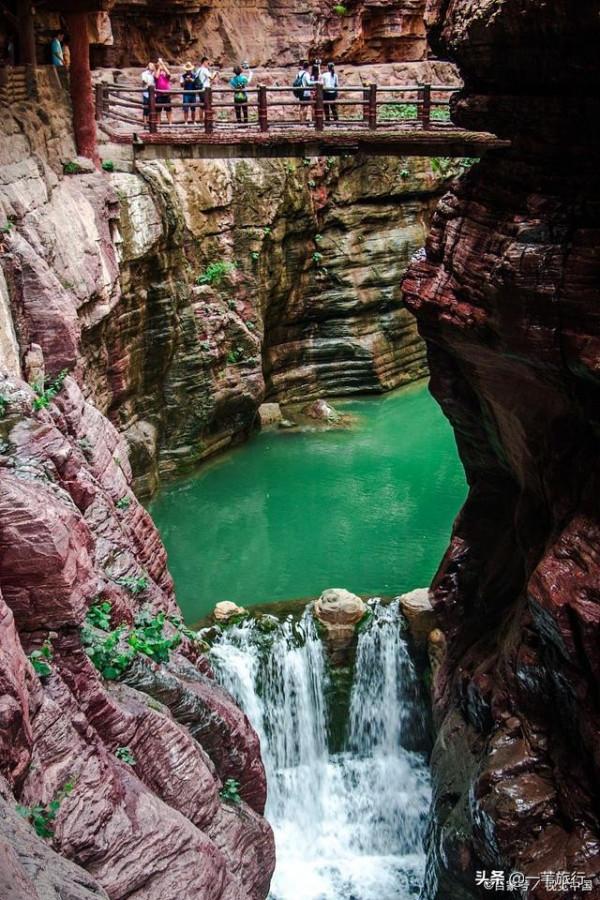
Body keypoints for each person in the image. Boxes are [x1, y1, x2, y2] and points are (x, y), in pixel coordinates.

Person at [196, 56, 218, 124]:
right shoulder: (204, 70)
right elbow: (211, 77)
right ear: (204, 62)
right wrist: (215, 73)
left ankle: (201, 120)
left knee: (202, 106)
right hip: (205, 89)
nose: (208, 64)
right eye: (207, 62)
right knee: (207, 105)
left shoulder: (198, 70)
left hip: (200, 89)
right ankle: (207, 120)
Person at [293, 60, 313, 124]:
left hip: (300, 91)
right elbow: (309, 83)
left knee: (301, 106)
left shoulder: (298, 73)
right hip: (306, 92)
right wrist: (316, 82)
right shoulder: (306, 74)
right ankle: (304, 120)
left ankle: (301, 121)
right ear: (308, 67)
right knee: (306, 106)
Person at [155, 58, 172, 125]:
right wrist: (159, 67)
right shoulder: (156, 73)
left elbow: (168, 73)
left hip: (166, 94)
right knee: (158, 111)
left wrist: (162, 63)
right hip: (159, 94)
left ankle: (170, 123)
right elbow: (156, 76)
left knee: (168, 110)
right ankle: (159, 123)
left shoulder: (166, 75)